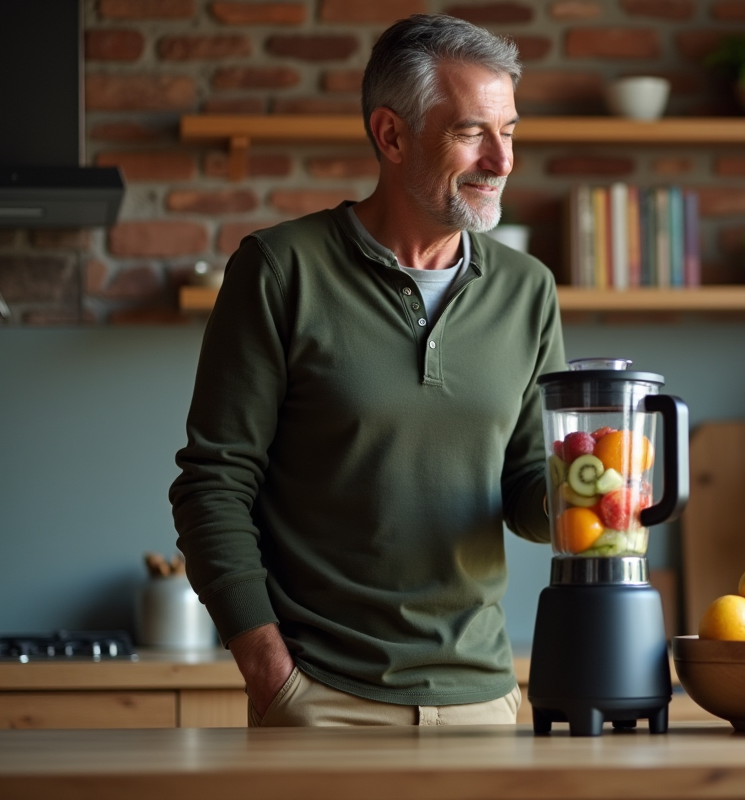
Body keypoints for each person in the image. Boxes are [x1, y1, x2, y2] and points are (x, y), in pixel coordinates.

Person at [169, 14, 565, 727]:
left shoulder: (527, 289)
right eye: (471, 132)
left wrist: (601, 498)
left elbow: (529, 490)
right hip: (321, 697)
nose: (502, 161)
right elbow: (214, 483)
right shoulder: (281, 270)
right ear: (390, 134)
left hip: (484, 696)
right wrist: (270, 670)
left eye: (509, 132)